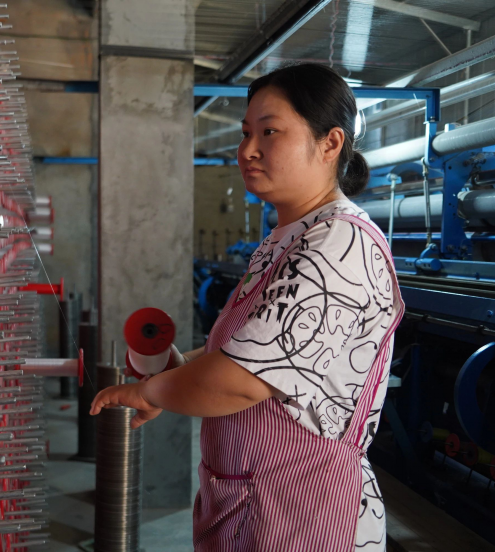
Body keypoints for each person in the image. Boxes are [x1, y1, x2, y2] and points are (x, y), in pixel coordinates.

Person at [90, 63, 404, 552]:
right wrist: (179, 373)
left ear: (330, 142)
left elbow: (242, 381)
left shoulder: (340, 242)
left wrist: (153, 392)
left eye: (270, 132)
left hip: (304, 511)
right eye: (245, 133)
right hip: (256, 499)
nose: (247, 150)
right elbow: (247, 350)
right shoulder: (289, 238)